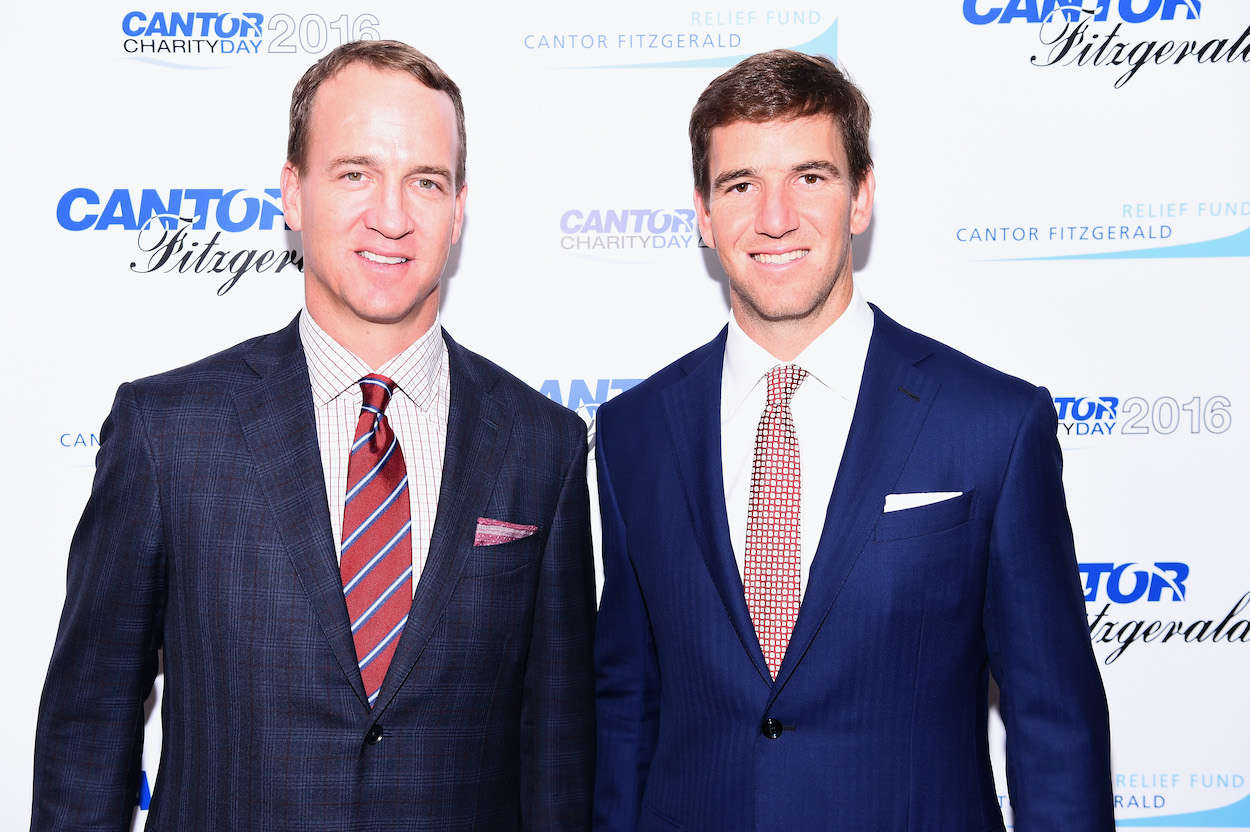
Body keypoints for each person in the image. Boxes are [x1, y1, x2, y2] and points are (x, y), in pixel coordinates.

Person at [32, 40, 595, 831]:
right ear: (293, 193)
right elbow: (88, 734)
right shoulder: (168, 434)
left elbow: (559, 762)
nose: (391, 215)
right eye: (355, 173)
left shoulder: (545, 449)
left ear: (460, 206)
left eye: (425, 181)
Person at [592, 49, 1113, 831]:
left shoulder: (993, 425)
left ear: (861, 197)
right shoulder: (632, 433)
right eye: (741, 185)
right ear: (702, 214)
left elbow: (1054, 725)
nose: (775, 218)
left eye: (810, 177)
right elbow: (627, 710)